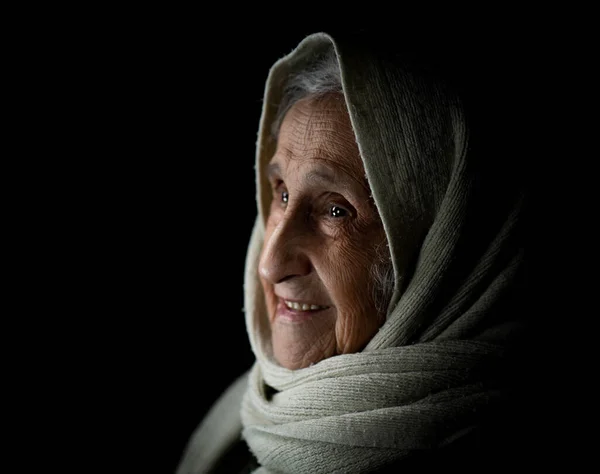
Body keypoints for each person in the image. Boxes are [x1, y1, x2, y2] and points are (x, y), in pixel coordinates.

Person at [176, 29, 532, 473]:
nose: (270, 264)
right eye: (281, 194)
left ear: (438, 246)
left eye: (335, 211)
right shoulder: (244, 413)